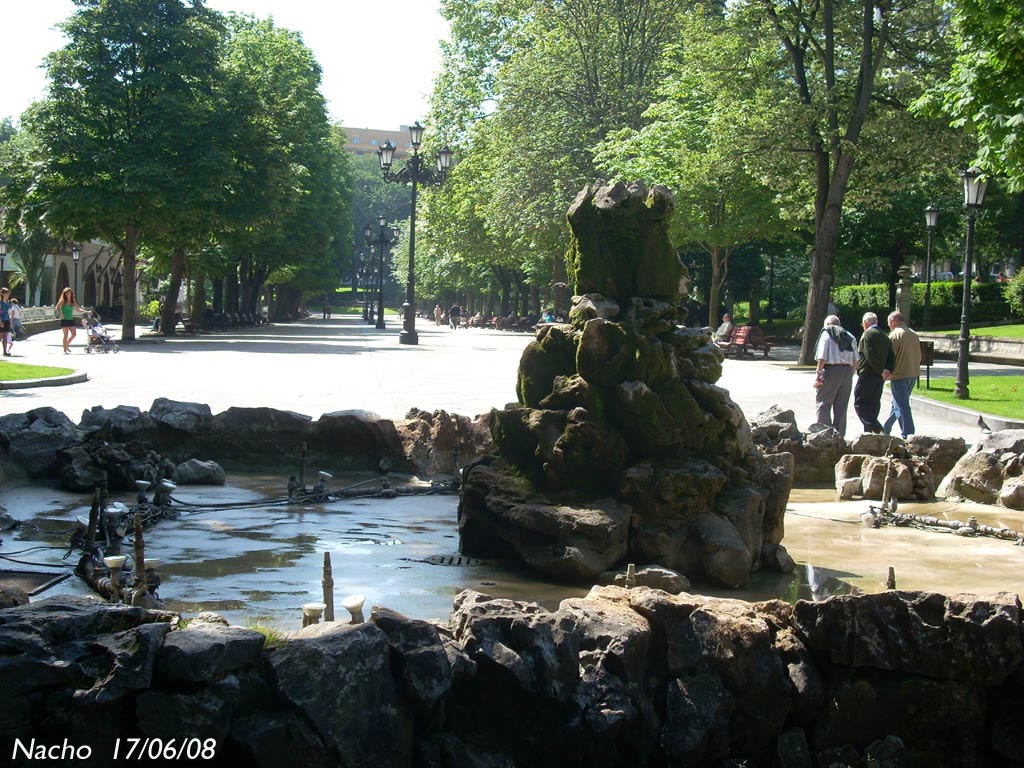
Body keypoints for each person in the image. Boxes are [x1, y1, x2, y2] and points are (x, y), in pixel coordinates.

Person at [812, 314, 858, 437]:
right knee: (841, 408)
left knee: (823, 404)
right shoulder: (850, 336)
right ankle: (840, 436)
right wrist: (851, 374)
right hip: (847, 372)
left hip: (831, 370)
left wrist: (818, 374)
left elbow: (821, 357)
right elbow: (856, 361)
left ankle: (825, 435)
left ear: (827, 324)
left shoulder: (826, 334)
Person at [883, 311, 922, 439]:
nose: (889, 326)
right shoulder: (913, 334)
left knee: (901, 405)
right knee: (898, 403)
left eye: (889, 323)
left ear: (893, 322)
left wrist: (886, 371)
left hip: (899, 375)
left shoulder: (895, 335)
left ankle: (908, 433)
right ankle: (885, 429)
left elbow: (889, 357)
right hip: (912, 373)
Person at [854, 311, 894, 434]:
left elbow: (869, 355)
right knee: (873, 404)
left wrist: (881, 370)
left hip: (868, 374)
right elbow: (891, 356)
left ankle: (876, 428)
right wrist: (887, 370)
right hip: (879, 376)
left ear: (865, 323)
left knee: (860, 404)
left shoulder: (868, 334)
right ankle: (869, 432)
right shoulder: (884, 335)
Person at [55, 287, 82, 354]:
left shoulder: (73, 301)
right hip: (64, 320)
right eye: (66, 293)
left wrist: (87, 311)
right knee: (66, 335)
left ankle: (66, 345)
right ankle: (65, 350)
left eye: (69, 293)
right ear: (64, 294)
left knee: (74, 334)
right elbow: (57, 307)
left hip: (71, 319)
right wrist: (61, 314)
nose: (68, 294)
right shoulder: (63, 300)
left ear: (71, 293)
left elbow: (78, 309)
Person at [0, 288, 11, 356]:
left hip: (7, 320)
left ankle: (5, 351)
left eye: (8, 294)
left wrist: (9, 319)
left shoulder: (7, 302)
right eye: (6, 293)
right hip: (2, 320)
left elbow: (8, 311)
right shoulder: (0, 303)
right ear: (2, 294)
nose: (7, 295)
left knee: (5, 337)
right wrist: (0, 321)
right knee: (0, 337)